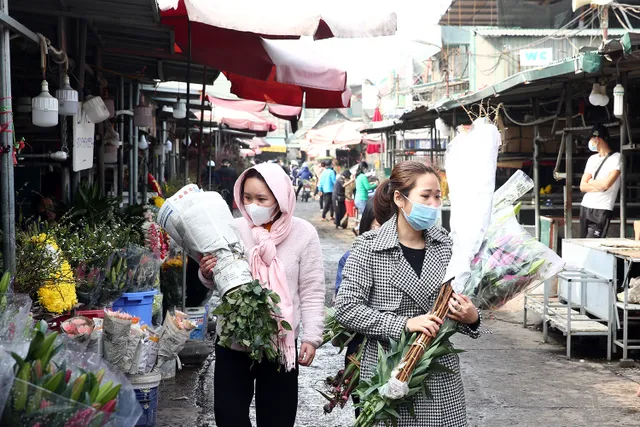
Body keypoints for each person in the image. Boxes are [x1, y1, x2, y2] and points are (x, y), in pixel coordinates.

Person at [335, 161, 481, 427]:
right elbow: (346, 308)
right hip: (389, 372)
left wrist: (471, 317)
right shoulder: (369, 248)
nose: (434, 204)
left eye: (438, 196)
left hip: (438, 373)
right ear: (400, 198)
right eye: (425, 196)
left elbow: (463, 299)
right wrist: (403, 324)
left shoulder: (448, 245)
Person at [198, 163, 325, 427]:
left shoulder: (303, 234)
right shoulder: (232, 229)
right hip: (233, 342)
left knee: (277, 418)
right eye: (246, 198)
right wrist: (207, 273)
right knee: (228, 415)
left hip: (280, 344)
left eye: (261, 199)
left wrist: (312, 338)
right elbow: (218, 282)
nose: (252, 204)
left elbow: (312, 290)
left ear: (279, 199)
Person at [333, 198, 380, 417]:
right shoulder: (351, 259)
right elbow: (343, 306)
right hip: (360, 353)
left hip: (398, 353)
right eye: (377, 225)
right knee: (366, 411)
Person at [579, 125, 622, 238]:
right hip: (586, 205)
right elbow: (583, 186)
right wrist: (600, 185)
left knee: (593, 244)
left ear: (597, 139)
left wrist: (591, 181)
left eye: (591, 139)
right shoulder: (592, 159)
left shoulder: (617, 158)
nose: (590, 142)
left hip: (602, 207)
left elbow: (607, 184)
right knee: (582, 243)